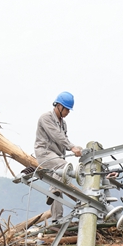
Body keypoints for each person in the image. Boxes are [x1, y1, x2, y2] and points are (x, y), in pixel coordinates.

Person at [34, 91, 83, 222]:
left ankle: (57, 220)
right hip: (45, 154)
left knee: (58, 190)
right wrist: (72, 147)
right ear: (59, 106)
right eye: (66, 109)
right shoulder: (46, 118)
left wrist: (77, 148)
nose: (68, 112)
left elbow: (63, 141)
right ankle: (54, 189)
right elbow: (57, 136)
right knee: (63, 169)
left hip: (56, 156)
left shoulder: (63, 124)